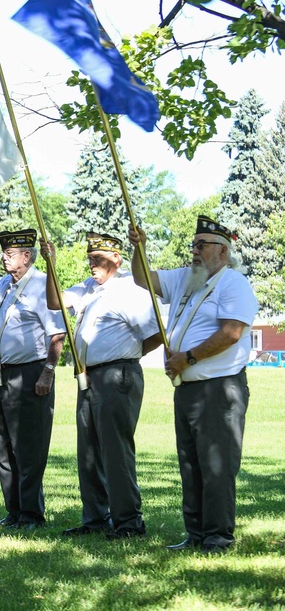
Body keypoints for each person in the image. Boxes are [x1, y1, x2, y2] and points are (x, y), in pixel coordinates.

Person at [129, 216, 258, 553]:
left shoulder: (233, 284)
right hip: (187, 387)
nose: (195, 251)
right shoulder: (187, 278)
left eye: (203, 245)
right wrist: (138, 247)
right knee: (190, 463)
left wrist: (188, 357)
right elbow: (143, 278)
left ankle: (218, 536)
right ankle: (196, 533)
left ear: (223, 252)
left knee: (216, 464)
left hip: (219, 387)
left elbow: (232, 332)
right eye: (193, 244)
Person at [42, 233, 162, 540]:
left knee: (115, 451)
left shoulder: (130, 290)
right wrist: (50, 262)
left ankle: (129, 522)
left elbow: (158, 332)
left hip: (117, 376)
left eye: (99, 260)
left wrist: (129, 353)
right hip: (88, 378)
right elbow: (55, 300)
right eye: (91, 259)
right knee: (90, 452)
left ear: (117, 260)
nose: (93, 265)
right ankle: (96, 517)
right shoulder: (88, 288)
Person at [0, 229, 65, 530]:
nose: (3, 257)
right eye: (4, 252)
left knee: (29, 447)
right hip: (1, 373)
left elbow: (57, 334)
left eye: (9, 253)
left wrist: (48, 371)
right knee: (5, 447)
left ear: (27, 256)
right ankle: (14, 511)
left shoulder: (42, 286)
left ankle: (32, 514)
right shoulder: (5, 286)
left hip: (30, 372)